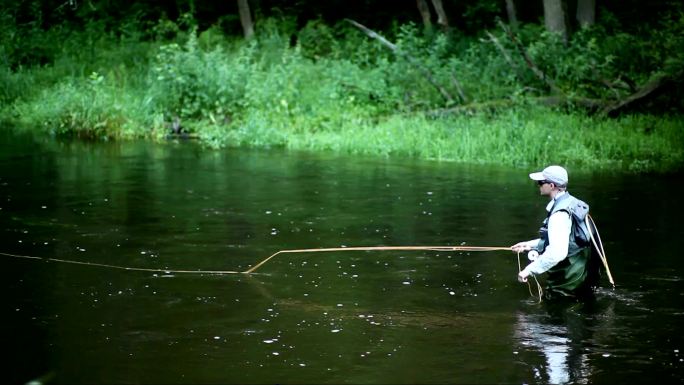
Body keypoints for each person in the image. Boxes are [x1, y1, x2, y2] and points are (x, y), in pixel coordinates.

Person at [511, 165, 600, 299]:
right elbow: (568, 239)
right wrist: (529, 245)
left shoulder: (559, 215)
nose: (538, 185)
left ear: (552, 185)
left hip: (568, 281)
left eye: (541, 182)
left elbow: (557, 253)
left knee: (557, 312)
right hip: (580, 274)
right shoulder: (571, 203)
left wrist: (528, 271)